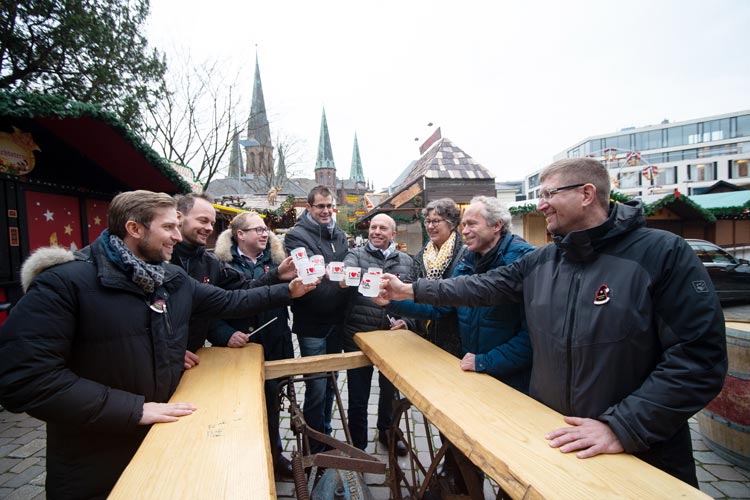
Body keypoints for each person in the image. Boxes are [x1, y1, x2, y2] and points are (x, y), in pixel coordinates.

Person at [380, 158, 728, 486]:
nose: (540, 204)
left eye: (549, 194)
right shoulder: (545, 260)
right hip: (553, 442)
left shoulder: (663, 254)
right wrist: (407, 290)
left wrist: (621, 427)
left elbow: (698, 360)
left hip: (641, 454)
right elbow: (479, 287)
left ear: (586, 194)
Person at [0, 190, 315, 499]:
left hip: (164, 444)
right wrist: (134, 409)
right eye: (168, 227)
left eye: (178, 226)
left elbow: (231, 300)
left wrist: (287, 289)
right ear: (134, 229)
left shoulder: (170, 277)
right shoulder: (63, 283)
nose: (178, 236)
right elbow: (24, 379)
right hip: (95, 463)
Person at [214, 211, 295, 479]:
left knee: (273, 403)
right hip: (239, 347)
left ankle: (274, 455)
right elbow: (206, 309)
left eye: (266, 230)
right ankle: (244, 459)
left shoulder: (277, 260)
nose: (265, 233)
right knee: (242, 406)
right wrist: (224, 334)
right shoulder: (220, 264)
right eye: (258, 229)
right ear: (240, 234)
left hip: (274, 342)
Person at [170, 194, 296, 364]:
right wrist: (169, 351)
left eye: (212, 223)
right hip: (168, 361)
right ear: (179, 217)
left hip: (191, 358)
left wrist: (279, 276)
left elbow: (245, 289)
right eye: (202, 220)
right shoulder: (159, 261)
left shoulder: (210, 262)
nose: (208, 228)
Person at [339, 214, 413, 455]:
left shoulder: (407, 261)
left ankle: (388, 432)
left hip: (392, 340)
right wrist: (347, 278)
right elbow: (345, 274)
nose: (377, 231)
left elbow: (415, 296)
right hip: (358, 336)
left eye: (383, 228)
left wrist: (407, 321)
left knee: (389, 392)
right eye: (373, 227)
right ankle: (358, 444)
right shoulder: (356, 255)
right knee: (358, 396)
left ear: (393, 234)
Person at [284, 185, 349, 453]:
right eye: (320, 206)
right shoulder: (296, 236)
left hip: (337, 321)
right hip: (312, 323)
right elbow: (309, 277)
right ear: (309, 208)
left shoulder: (340, 234)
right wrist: (340, 283)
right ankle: (313, 443)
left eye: (329, 206)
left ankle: (325, 430)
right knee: (316, 387)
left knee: (331, 382)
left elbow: (347, 266)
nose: (325, 211)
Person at [406, 198, 465, 357]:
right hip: (424, 335)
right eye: (428, 221)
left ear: (451, 224)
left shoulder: (465, 255)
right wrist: (408, 322)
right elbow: (410, 290)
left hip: (455, 338)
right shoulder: (422, 255)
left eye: (436, 221)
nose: (430, 226)